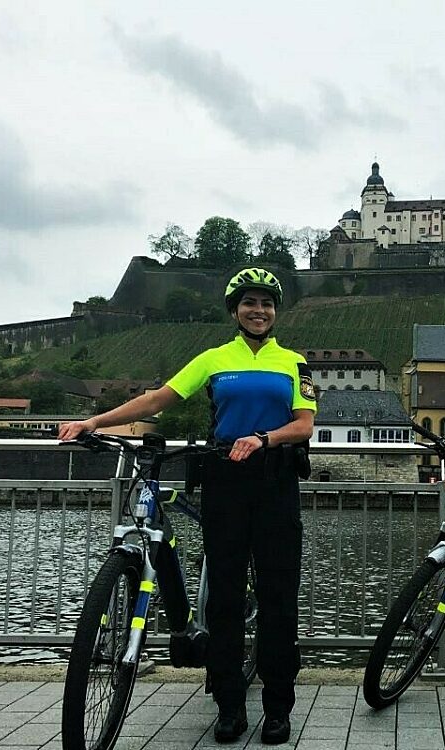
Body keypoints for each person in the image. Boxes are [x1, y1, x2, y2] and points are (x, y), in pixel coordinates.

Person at [58, 267, 316, 745]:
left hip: (275, 481)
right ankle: (230, 706)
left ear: (275, 312)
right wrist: (95, 422)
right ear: (234, 310)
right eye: (249, 303)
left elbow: (303, 425)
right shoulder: (213, 359)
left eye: (266, 304)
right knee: (224, 598)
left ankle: (278, 707)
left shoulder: (293, 362)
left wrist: (264, 438)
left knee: (279, 599)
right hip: (225, 480)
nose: (258, 311)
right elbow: (157, 400)